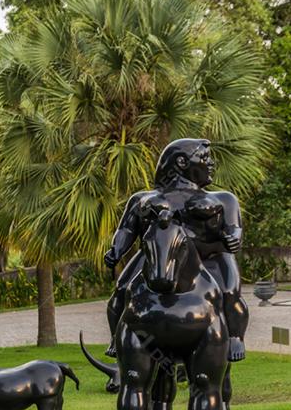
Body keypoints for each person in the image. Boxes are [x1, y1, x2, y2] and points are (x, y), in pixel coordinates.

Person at [103, 138, 248, 362]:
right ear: (181, 162)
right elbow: (126, 230)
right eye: (205, 158)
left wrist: (233, 238)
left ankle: (235, 336)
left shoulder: (223, 199)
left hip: (209, 257)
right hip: (157, 256)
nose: (211, 164)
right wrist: (116, 249)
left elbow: (234, 228)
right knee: (121, 291)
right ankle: (117, 338)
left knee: (230, 292)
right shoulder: (143, 199)